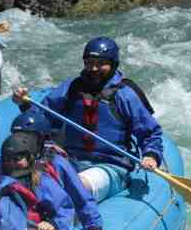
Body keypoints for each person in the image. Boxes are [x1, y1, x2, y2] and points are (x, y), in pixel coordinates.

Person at [13, 36, 163, 202]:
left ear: (113, 65)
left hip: (111, 166)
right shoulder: (72, 88)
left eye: (101, 64)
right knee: (29, 182)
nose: (94, 68)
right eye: (89, 63)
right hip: (71, 161)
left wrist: (151, 155)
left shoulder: (125, 94)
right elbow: (44, 118)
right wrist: (24, 104)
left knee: (77, 187)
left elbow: (150, 132)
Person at [10, 107, 104, 230]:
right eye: (18, 138)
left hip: (51, 224)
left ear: (41, 139)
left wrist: (94, 227)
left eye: (27, 138)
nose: (22, 143)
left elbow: (81, 197)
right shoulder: (10, 163)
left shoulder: (57, 163)